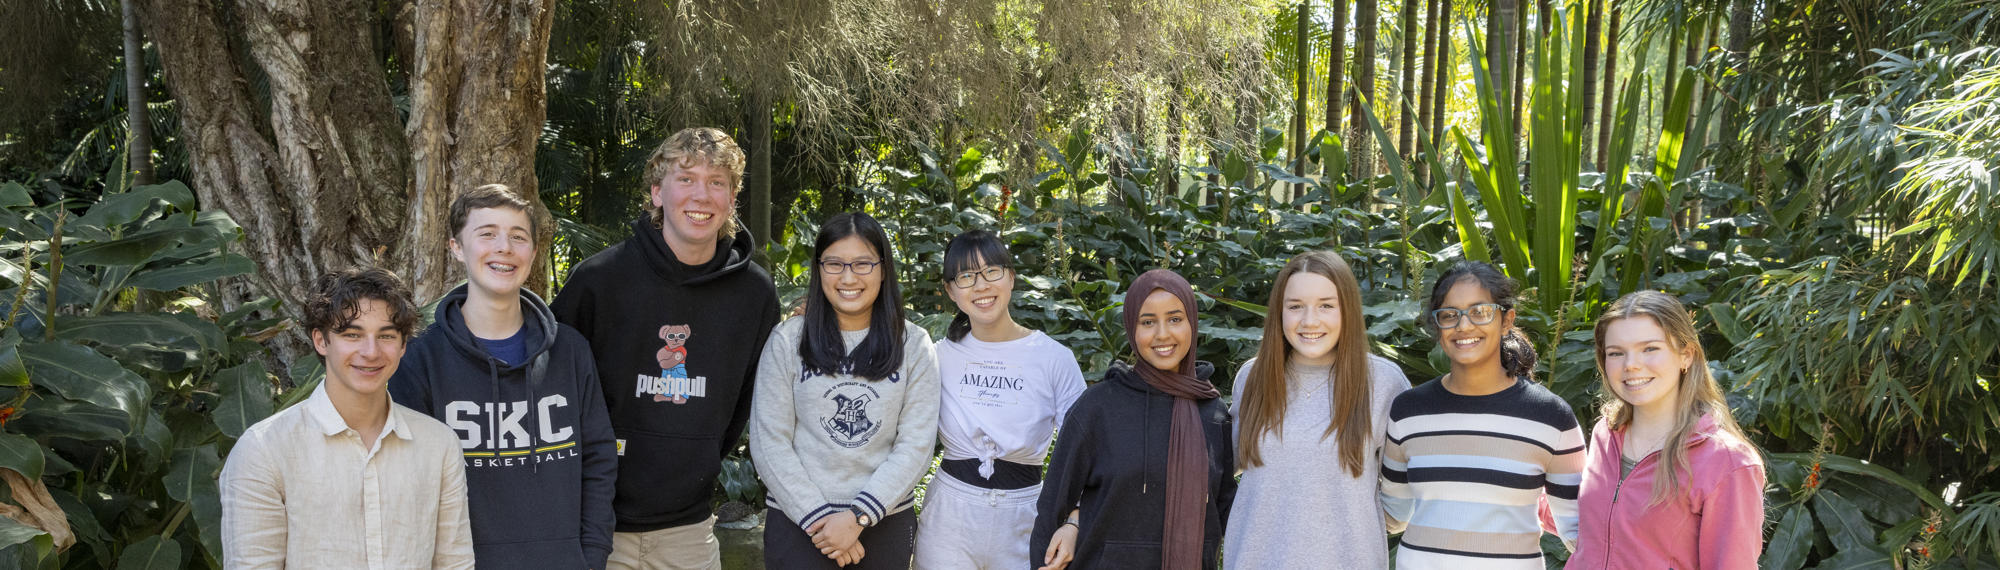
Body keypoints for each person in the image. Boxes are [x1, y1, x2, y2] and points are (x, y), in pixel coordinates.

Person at [551, 127, 781, 569]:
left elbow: (746, 401)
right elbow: (555, 388)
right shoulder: (599, 280)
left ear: (732, 199)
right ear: (657, 192)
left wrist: (696, 451)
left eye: (717, 182)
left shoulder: (755, 294)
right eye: (687, 179)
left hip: (688, 531)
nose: (702, 195)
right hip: (595, 524)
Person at [390, 184, 619, 569]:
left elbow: (598, 459)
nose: (504, 247)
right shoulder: (419, 357)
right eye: (487, 234)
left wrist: (591, 555)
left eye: (518, 236)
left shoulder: (570, 350)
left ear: (532, 251)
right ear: (456, 247)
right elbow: (407, 480)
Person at [220, 267, 474, 568]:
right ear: (321, 341)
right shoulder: (264, 450)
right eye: (352, 334)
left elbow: (454, 563)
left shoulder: (438, 444)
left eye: (386, 336)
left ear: (404, 345)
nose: (371, 351)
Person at [749, 212, 941, 569]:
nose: (848, 277)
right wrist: (819, 520)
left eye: (863, 263)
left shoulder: (914, 345)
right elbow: (768, 440)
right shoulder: (788, 340)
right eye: (834, 263)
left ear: (883, 269)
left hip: (883, 523)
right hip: (798, 523)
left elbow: (916, 444)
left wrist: (857, 517)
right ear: (819, 268)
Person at [1379, 261, 1584, 569]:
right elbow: (1392, 514)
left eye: (1479, 312)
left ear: (1506, 320)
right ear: (1437, 327)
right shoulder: (1408, 410)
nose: (1463, 326)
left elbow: (1581, 532)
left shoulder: (1551, 416)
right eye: (1450, 315)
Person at [1031, 269, 1236, 570]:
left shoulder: (1213, 412)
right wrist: (1069, 528)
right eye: (1148, 321)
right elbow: (1051, 508)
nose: (1162, 334)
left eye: (1175, 319)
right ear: (1131, 327)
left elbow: (1226, 511)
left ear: (1192, 322)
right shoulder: (1098, 407)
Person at [911, 230, 1087, 570]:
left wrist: (1075, 520)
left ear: (1010, 277)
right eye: (966, 276)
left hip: (1026, 514)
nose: (981, 286)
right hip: (950, 516)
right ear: (950, 290)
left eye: (992, 271)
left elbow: (1087, 450)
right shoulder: (936, 356)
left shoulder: (1054, 358)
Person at [1224, 251, 1409, 569]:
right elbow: (1228, 468)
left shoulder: (1383, 383)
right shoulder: (1252, 378)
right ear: (1279, 312)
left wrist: (1353, 524)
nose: (1309, 320)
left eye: (1326, 305)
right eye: (1295, 306)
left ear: (1347, 309)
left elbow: (1405, 493)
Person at [1565, 291, 1765, 569]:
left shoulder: (1727, 463)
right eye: (1616, 353)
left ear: (1686, 355)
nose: (1630, 364)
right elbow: (1596, 530)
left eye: (1650, 348)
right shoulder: (1605, 433)